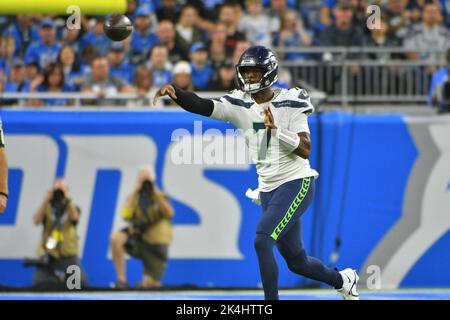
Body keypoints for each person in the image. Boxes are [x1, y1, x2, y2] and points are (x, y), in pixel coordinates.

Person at [153, 45, 359, 300]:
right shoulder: (239, 103)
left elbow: (305, 149)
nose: (249, 77)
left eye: (255, 72)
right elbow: (204, 105)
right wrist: (177, 93)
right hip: (268, 189)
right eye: (246, 72)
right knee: (297, 261)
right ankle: (343, 279)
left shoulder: (290, 101)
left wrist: (276, 132)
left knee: (262, 240)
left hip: (296, 182)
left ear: (269, 72)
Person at [110, 167, 174, 288]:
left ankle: (145, 283)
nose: (145, 184)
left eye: (147, 181)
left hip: (156, 246)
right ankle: (121, 280)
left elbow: (169, 213)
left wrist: (155, 193)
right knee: (116, 238)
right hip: (138, 241)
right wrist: (135, 192)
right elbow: (125, 216)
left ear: (154, 181)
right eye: (142, 180)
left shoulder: (162, 196)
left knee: (151, 285)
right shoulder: (133, 197)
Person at [32, 178, 87, 288]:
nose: (59, 192)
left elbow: (75, 218)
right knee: (40, 283)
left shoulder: (72, 208)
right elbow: (36, 220)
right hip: (50, 253)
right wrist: (45, 201)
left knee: (76, 284)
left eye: (62, 189)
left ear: (67, 190)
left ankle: (65, 280)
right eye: (57, 189)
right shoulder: (47, 207)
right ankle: (56, 279)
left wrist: (68, 200)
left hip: (68, 253)